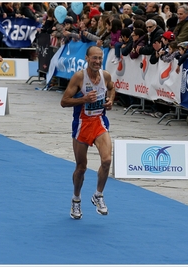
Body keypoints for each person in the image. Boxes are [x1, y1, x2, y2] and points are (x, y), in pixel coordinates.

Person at [60, 46, 115, 220]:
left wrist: (110, 100)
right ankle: (76, 199)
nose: (97, 61)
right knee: (81, 167)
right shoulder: (79, 77)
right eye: (94, 58)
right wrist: (83, 99)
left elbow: (112, 88)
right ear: (87, 58)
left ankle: (98, 194)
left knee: (106, 160)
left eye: (100, 58)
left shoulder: (105, 76)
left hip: (99, 122)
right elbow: (64, 101)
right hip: (82, 124)